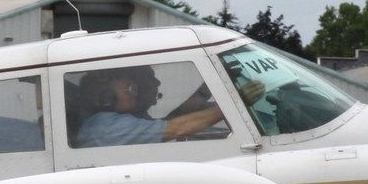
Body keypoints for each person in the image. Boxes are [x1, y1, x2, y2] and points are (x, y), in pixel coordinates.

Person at [74, 65, 260, 147]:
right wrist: (234, 105)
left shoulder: (114, 122)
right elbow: (176, 128)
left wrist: (206, 90)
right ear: (106, 97)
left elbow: (170, 121)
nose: (136, 92)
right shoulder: (108, 127)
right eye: (129, 88)